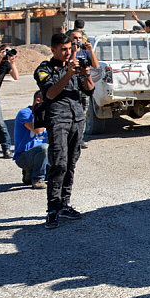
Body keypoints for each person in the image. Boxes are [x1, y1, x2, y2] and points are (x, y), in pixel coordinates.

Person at [34, 32, 94, 229]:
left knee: (71, 163)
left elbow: (90, 90)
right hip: (58, 120)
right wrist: (68, 73)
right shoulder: (44, 69)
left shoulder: (75, 67)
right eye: (63, 50)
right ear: (53, 50)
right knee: (58, 164)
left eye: (70, 49)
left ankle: (65, 204)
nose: (68, 53)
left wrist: (84, 73)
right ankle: (53, 208)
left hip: (77, 118)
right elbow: (50, 93)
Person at [67, 29, 99, 148]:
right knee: (71, 113)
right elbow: (68, 64)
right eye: (74, 38)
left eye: (79, 38)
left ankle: (80, 139)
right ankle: (71, 138)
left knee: (83, 113)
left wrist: (91, 50)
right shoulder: (68, 52)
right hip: (71, 85)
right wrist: (74, 52)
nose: (77, 40)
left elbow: (95, 65)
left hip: (84, 84)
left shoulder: (85, 52)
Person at [13, 91, 48, 189]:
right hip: (24, 157)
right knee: (44, 148)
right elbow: (37, 130)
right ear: (38, 101)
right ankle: (37, 178)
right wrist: (45, 114)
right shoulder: (24, 113)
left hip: (44, 157)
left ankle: (30, 174)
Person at [0, 45, 19, 158]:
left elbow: (16, 77)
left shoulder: (6, 64)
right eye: (4, 51)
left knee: (1, 124)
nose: (7, 53)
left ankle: (6, 149)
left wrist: (13, 63)